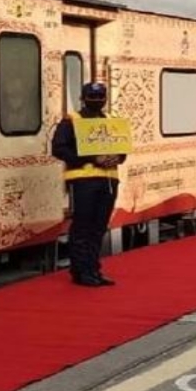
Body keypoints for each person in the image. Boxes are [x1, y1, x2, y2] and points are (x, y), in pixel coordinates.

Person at [51, 82, 126, 287]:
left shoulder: (111, 121)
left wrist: (118, 157)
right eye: (92, 97)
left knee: (99, 227)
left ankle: (94, 269)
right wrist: (90, 159)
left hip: (109, 180)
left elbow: (122, 148)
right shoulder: (71, 121)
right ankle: (80, 271)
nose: (97, 100)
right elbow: (58, 149)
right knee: (82, 227)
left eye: (101, 96)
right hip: (83, 181)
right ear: (83, 98)